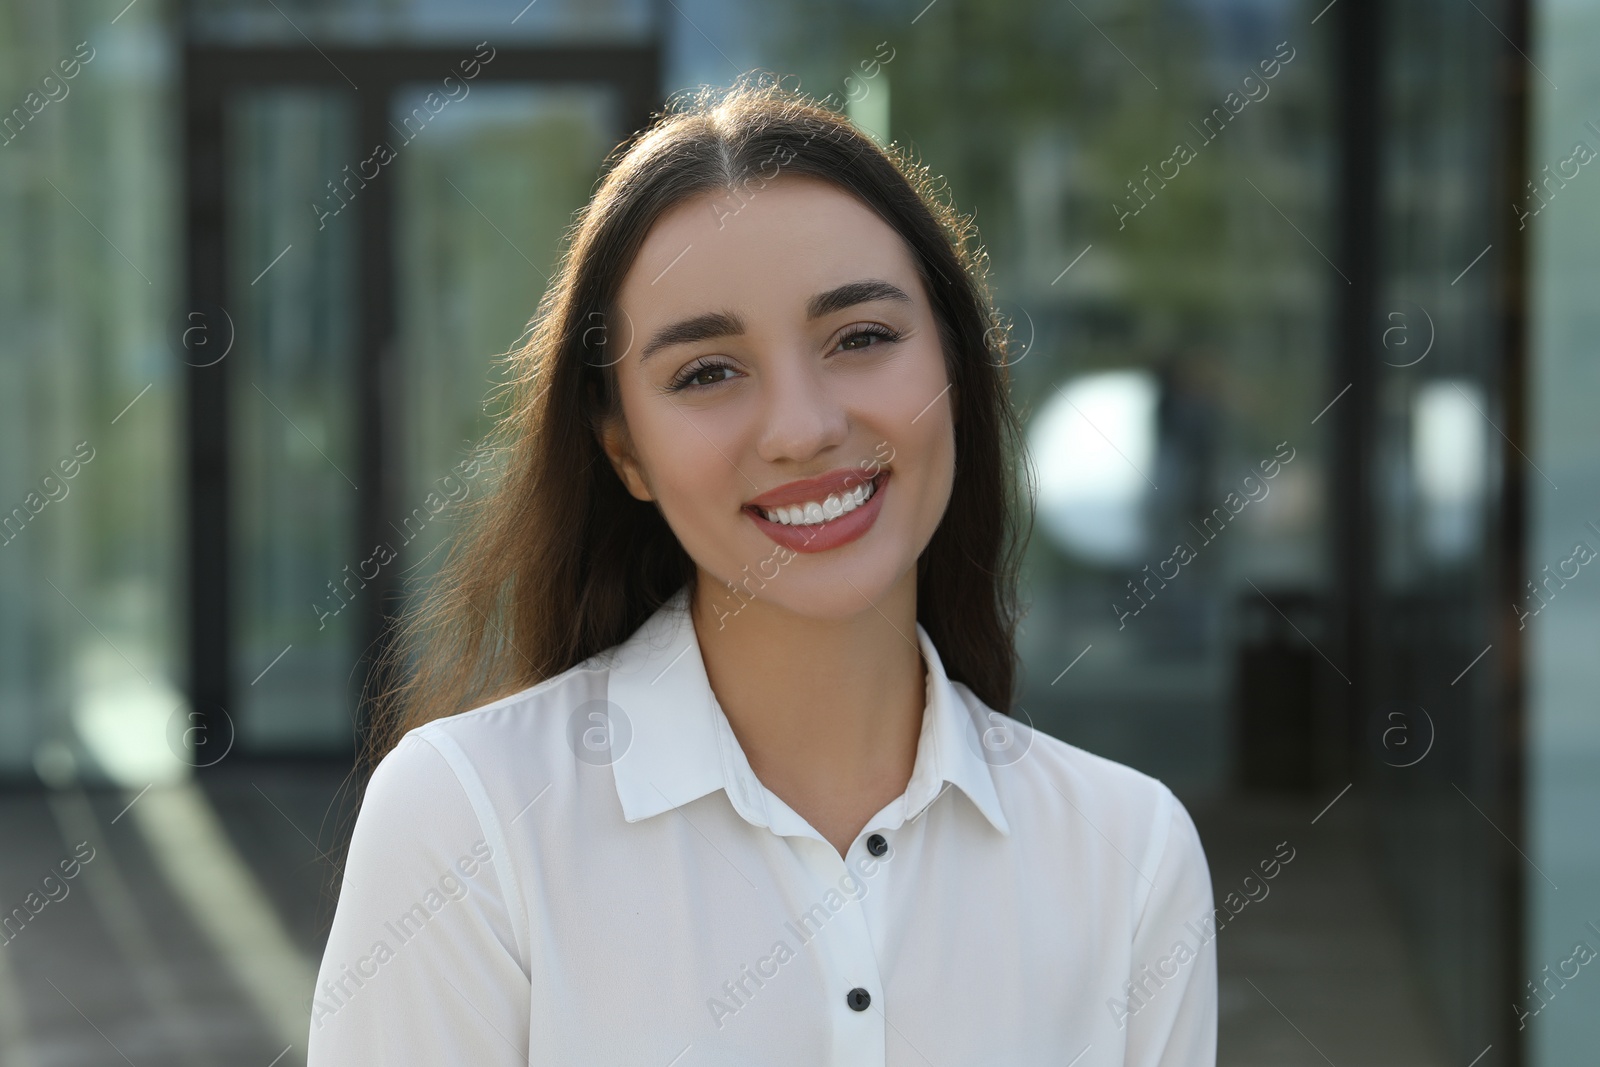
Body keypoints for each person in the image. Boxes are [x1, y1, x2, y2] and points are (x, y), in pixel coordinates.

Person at [306, 76, 1216, 1066]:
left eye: (861, 337)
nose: (804, 426)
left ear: (953, 368)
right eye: (706, 371)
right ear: (623, 450)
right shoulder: (466, 824)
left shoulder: (1128, 854)